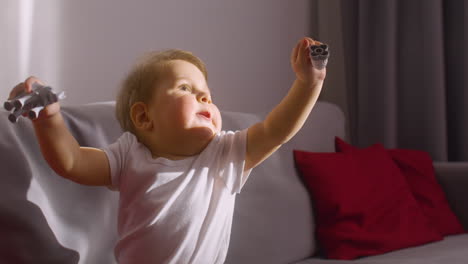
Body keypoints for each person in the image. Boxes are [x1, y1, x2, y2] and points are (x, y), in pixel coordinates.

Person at [9, 37, 327, 263]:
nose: (204, 98)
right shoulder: (128, 154)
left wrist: (308, 83)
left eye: (207, 94)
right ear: (144, 117)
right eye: (186, 89)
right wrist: (49, 119)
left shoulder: (224, 154)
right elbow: (73, 162)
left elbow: (276, 130)